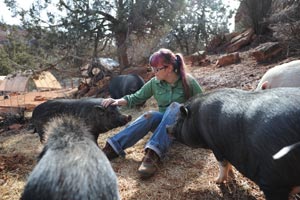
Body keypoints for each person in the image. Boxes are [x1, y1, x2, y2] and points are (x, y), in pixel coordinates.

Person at [101, 48, 203, 179]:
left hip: (183, 128)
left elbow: (202, 104)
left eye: (157, 69)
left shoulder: (188, 81)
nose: (153, 72)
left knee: (175, 106)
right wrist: (115, 101)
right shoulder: (154, 83)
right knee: (150, 115)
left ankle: (153, 154)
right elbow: (135, 97)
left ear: (169, 68)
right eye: (152, 69)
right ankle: (113, 147)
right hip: (164, 128)